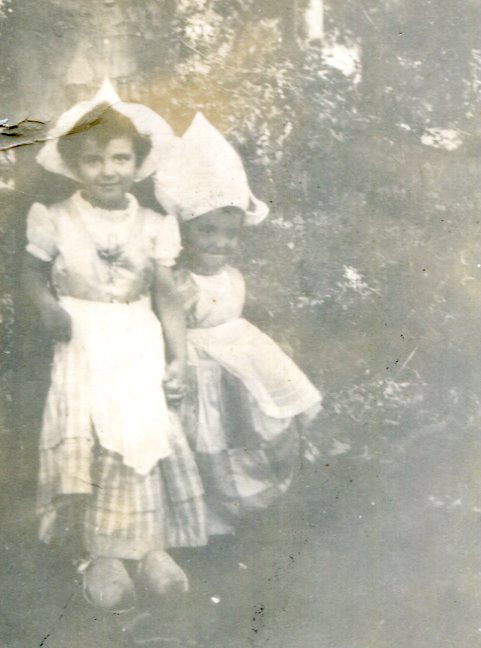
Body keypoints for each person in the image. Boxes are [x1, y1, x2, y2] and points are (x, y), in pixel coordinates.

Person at [23, 81, 207, 612]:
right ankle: (101, 554)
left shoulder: (153, 226)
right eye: (94, 160)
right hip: (83, 339)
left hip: (136, 338)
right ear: (74, 166)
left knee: (143, 435)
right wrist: (46, 306)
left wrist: (178, 356)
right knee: (97, 439)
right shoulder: (55, 217)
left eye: (120, 158)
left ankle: (150, 548)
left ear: (138, 161)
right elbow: (30, 274)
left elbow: (166, 296)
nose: (108, 170)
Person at [154, 113, 322, 537]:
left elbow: (236, 321)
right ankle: (212, 511)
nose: (219, 243)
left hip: (242, 365)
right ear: (184, 233)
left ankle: (259, 497)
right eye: (207, 231)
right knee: (207, 439)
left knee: (259, 425)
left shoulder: (233, 277)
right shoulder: (178, 281)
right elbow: (172, 324)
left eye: (229, 234)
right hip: (201, 371)